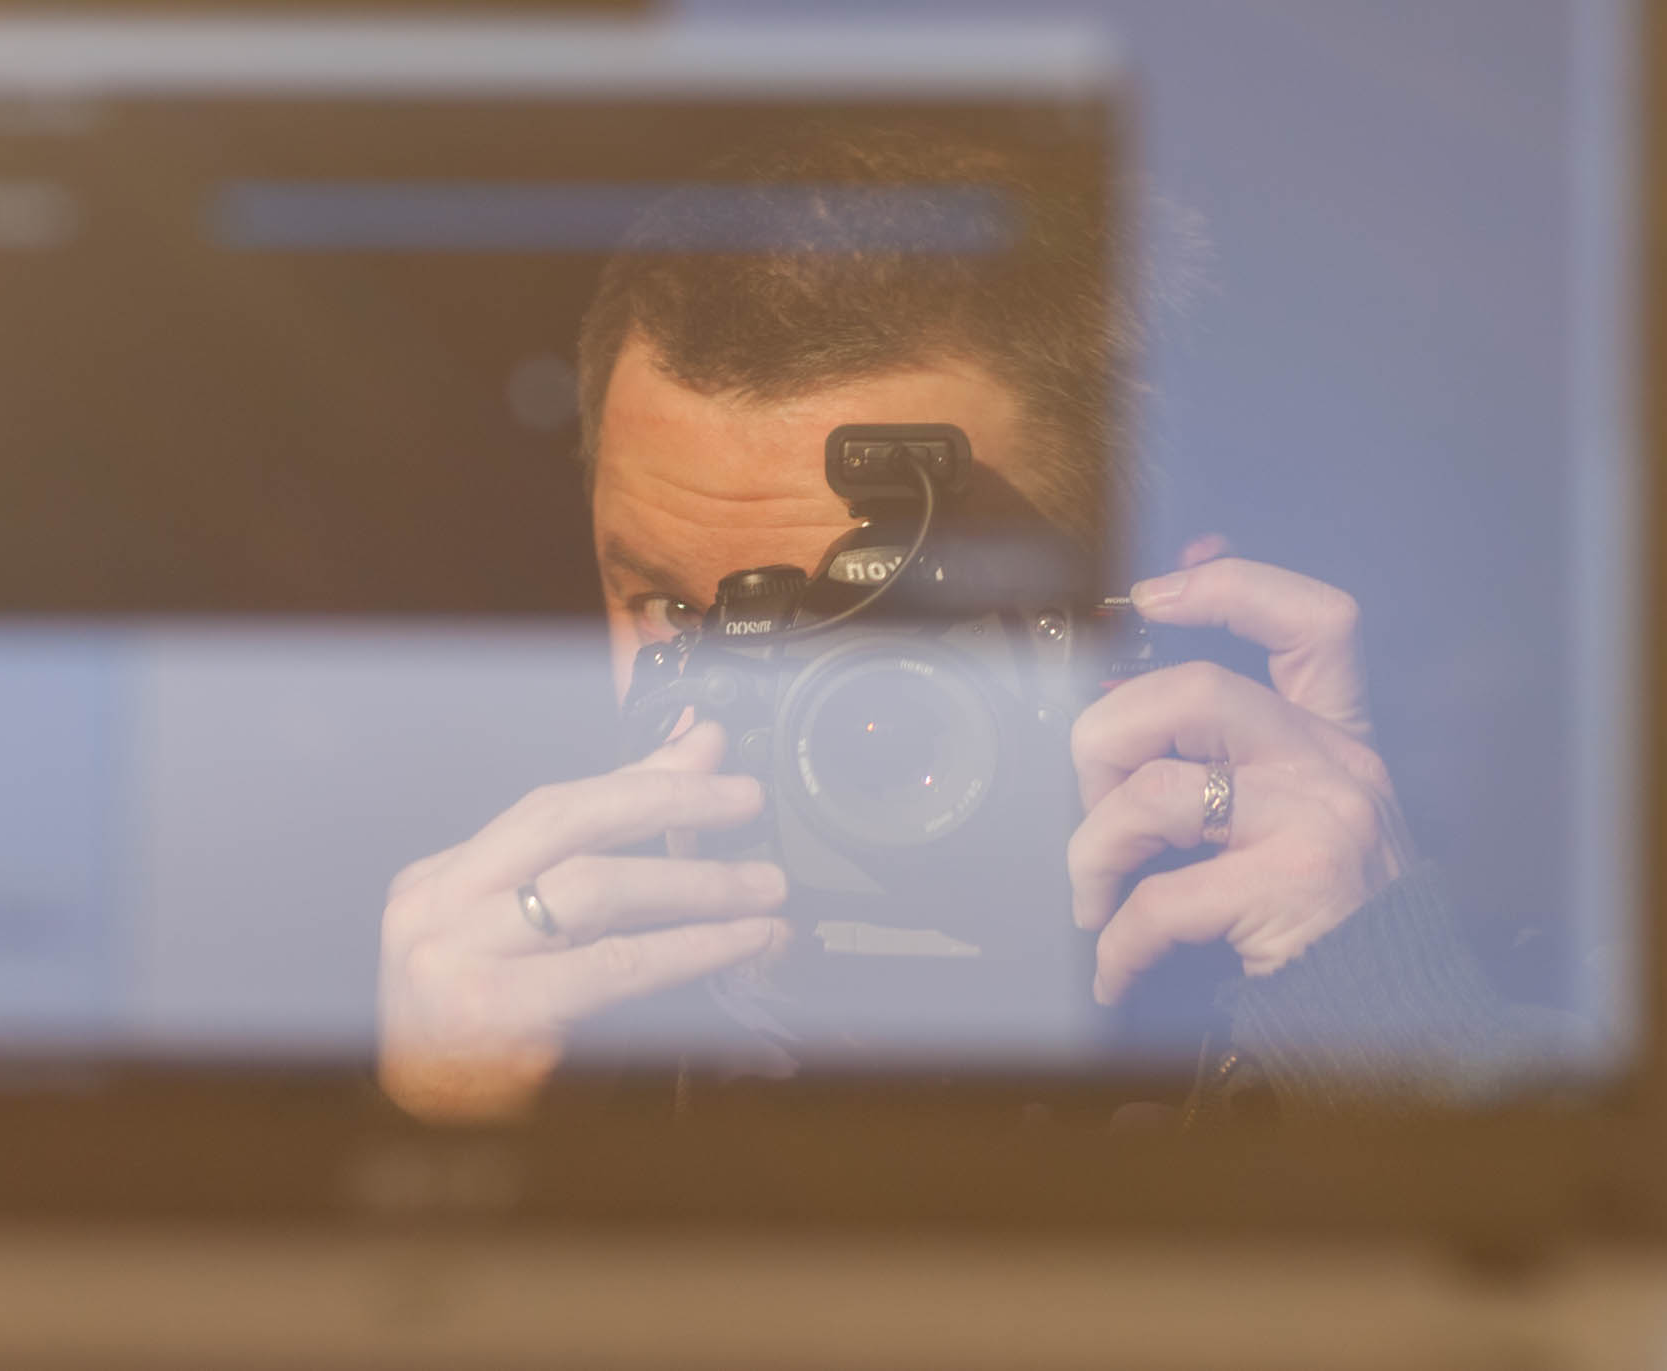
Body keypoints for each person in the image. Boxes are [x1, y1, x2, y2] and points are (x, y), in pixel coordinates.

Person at [376, 125, 1573, 1126]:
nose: (725, 694)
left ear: (1164, 602)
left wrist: (1387, 1036)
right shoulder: (535, 1039)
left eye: (864, 624)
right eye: (669, 607)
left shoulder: (1466, 1021)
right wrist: (451, 1179)